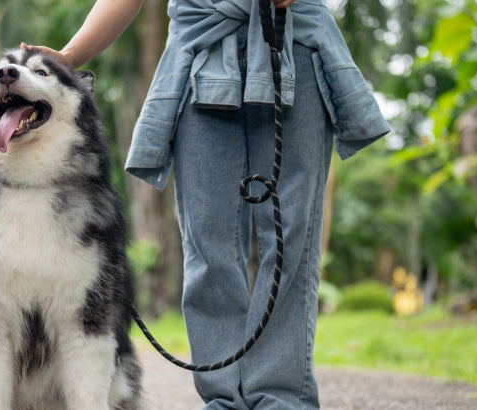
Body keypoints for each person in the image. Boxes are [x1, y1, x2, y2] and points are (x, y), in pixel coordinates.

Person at [28, 0, 390, 408]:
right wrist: (70, 56)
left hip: (293, 44)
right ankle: (224, 400)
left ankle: (282, 399)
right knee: (207, 242)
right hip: (201, 52)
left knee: (291, 243)